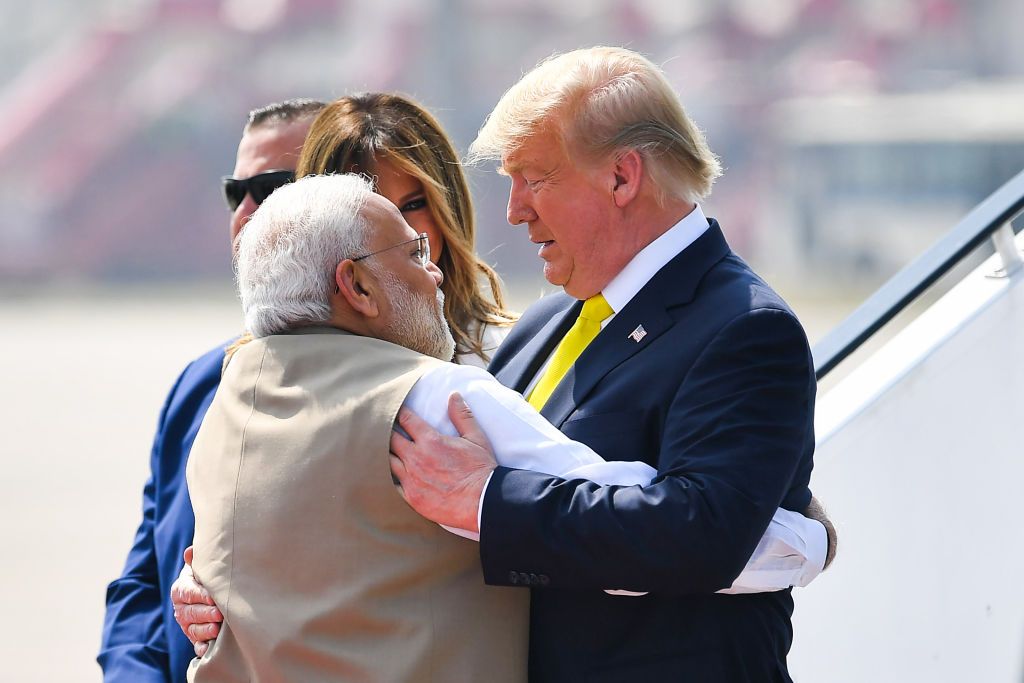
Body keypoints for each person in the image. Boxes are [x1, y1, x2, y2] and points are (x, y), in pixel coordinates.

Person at [184, 173, 827, 682]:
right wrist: (805, 534)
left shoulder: (226, 409)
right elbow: (667, 531)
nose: (434, 269)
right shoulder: (435, 401)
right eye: (413, 251)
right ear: (356, 286)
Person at [387, 46, 830, 681]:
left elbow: (699, 534)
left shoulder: (747, 329)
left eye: (534, 179)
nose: (514, 210)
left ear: (623, 177)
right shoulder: (542, 325)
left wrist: (488, 499)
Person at [98, 98, 325, 683]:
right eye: (235, 192)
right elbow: (143, 579)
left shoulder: (408, 386)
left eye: (272, 187)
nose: (246, 213)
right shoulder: (200, 382)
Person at [295, 92, 518, 367]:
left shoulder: (511, 359)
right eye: (369, 212)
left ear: (450, 208)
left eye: (413, 205)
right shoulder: (268, 371)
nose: (401, 232)